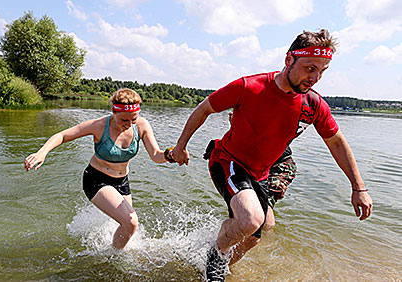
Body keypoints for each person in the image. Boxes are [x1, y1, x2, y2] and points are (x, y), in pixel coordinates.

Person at [171, 29, 373, 281]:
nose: (316, 77)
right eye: (310, 68)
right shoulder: (249, 86)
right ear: (289, 60)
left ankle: (215, 261)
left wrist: (358, 187)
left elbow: (336, 142)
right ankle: (215, 258)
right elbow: (204, 108)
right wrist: (181, 146)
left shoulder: (313, 104)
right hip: (228, 161)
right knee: (250, 219)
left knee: (259, 232)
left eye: (322, 70)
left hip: (261, 173)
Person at [25, 88, 172, 250]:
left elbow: (156, 155)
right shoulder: (99, 126)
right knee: (131, 222)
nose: (129, 125)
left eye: (133, 119)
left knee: (129, 227)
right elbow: (62, 135)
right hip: (96, 179)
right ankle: (113, 258)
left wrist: (170, 154)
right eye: (124, 120)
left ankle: (114, 250)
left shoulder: (142, 125)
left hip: (122, 182)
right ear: (114, 112)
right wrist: (42, 153)